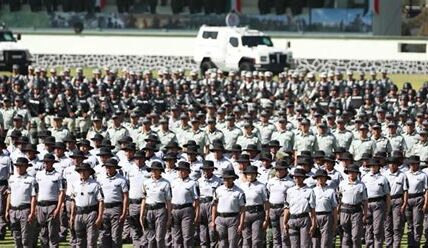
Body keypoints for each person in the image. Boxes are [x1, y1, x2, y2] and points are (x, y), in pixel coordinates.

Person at [69, 163, 104, 248]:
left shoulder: (95, 184)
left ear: (89, 172)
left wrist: (100, 217)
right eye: (80, 171)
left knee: (91, 240)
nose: (82, 173)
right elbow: (73, 200)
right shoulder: (75, 184)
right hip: (78, 213)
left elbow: (101, 201)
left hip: (91, 213)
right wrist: (72, 216)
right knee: (79, 240)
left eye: (85, 171)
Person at [6, 157, 37, 248]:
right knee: (16, 236)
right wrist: (7, 210)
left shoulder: (31, 179)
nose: (19, 168)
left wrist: (32, 212)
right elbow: (9, 195)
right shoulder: (11, 178)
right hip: (13, 210)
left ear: (26, 167)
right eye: (17, 166)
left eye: (21, 166)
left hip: (25, 210)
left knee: (26, 238)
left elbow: (33, 197)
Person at [35, 153, 65, 248]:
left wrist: (58, 208)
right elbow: (36, 192)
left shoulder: (58, 175)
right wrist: (36, 206)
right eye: (45, 162)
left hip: (52, 205)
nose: (46, 164)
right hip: (40, 205)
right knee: (43, 231)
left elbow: (61, 193)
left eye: (48, 162)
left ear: (52, 163)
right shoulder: (39, 174)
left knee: (53, 231)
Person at [98, 158, 129, 248]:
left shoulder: (121, 180)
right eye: (106, 167)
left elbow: (125, 197)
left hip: (116, 208)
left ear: (115, 168)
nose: (108, 168)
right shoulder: (101, 179)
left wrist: (124, 212)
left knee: (116, 235)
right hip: (104, 208)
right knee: (104, 234)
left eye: (110, 167)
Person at [140, 161, 172, 248]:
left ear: (160, 171)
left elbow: (168, 201)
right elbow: (144, 199)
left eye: (156, 170)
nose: (153, 172)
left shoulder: (165, 183)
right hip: (149, 209)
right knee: (150, 236)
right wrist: (141, 214)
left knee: (159, 237)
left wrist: (169, 216)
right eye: (152, 170)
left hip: (160, 210)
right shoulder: (146, 182)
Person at [283, 168, 317, 248]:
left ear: (303, 178)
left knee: (305, 244)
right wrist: (285, 222)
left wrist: (314, 224)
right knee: (294, 245)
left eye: (299, 177)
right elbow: (287, 207)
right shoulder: (290, 191)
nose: (297, 179)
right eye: (295, 177)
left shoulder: (309, 191)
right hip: (292, 219)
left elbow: (312, 209)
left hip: (304, 219)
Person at [211, 168, 245, 248]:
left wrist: (241, 224)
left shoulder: (239, 191)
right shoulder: (218, 190)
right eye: (225, 178)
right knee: (222, 243)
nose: (226, 180)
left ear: (233, 179)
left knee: (232, 242)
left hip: (233, 219)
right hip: (220, 219)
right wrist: (213, 221)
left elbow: (242, 209)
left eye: (229, 178)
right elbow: (214, 206)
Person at [361, 158, 391, 248]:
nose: (373, 168)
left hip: (379, 203)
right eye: (371, 166)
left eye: (375, 166)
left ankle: (378, 246)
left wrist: (388, 209)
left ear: (378, 167)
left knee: (377, 229)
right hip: (367, 203)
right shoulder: (364, 177)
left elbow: (388, 195)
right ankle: (369, 246)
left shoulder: (383, 179)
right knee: (368, 227)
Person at [170, 161, 200, 247]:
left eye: (183, 170)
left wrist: (197, 215)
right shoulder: (174, 182)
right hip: (174, 209)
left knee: (187, 236)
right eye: (179, 170)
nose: (180, 172)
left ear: (188, 172)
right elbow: (170, 198)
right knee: (176, 236)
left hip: (187, 210)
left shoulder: (193, 183)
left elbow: (197, 200)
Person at [338, 164, 368, 248]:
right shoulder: (342, 183)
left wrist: (365, 214)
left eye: (353, 172)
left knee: (356, 236)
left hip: (356, 211)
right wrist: (337, 213)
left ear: (357, 173)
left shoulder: (361, 185)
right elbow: (339, 199)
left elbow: (365, 201)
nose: (351, 174)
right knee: (346, 235)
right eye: (350, 172)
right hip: (344, 210)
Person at [240, 165, 269, 247]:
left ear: (256, 175)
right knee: (246, 239)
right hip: (245, 214)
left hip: (257, 214)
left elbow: (266, 203)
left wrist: (266, 218)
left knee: (256, 239)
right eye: (249, 174)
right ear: (246, 175)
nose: (251, 176)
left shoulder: (261, 186)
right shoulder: (242, 186)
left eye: (253, 174)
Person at [383, 154, 408, 248]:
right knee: (387, 225)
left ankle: (396, 246)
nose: (392, 166)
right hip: (386, 201)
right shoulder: (384, 174)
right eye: (390, 164)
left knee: (397, 226)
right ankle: (389, 245)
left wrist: (404, 203)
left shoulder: (402, 175)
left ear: (397, 165)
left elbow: (405, 190)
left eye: (394, 164)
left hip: (397, 200)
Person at [197, 160, 222, 248]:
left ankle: (213, 246)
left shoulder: (218, 181)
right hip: (201, 204)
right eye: (204, 170)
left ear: (212, 170)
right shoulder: (199, 181)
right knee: (202, 229)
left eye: (208, 169)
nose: (206, 171)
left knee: (212, 229)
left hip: (212, 205)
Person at [405, 155, 428, 247]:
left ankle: (416, 243)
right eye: (411, 164)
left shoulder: (423, 175)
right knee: (409, 223)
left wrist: (426, 203)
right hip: (407, 198)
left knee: (417, 223)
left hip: (418, 198)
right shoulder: (405, 174)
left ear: (418, 164)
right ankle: (410, 242)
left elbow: (426, 190)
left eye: (414, 164)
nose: (412, 166)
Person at [312, 169, 338, 248]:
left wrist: (335, 222)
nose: (320, 179)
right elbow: (311, 207)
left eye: (322, 177)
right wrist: (312, 219)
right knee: (315, 241)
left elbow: (334, 208)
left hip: (327, 216)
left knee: (326, 241)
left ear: (326, 179)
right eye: (318, 178)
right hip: (315, 215)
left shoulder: (331, 191)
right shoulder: (313, 190)